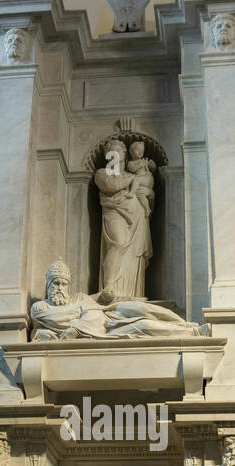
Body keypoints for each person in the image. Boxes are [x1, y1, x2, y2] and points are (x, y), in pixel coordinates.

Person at [29, 259, 202, 340]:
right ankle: (192, 333)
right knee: (145, 325)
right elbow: (35, 331)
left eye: (63, 284)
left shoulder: (79, 297)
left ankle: (184, 323)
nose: (59, 288)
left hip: (108, 316)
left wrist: (75, 329)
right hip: (105, 331)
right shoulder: (40, 308)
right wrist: (38, 334)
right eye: (56, 283)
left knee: (141, 308)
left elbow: (93, 312)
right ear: (48, 285)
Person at [94, 138, 152, 298]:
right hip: (115, 213)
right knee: (118, 243)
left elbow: (148, 191)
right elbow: (110, 185)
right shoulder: (102, 173)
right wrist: (131, 180)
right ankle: (109, 287)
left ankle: (133, 293)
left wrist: (150, 193)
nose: (113, 154)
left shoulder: (132, 175)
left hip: (137, 217)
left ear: (124, 154)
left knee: (134, 255)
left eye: (117, 150)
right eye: (109, 152)